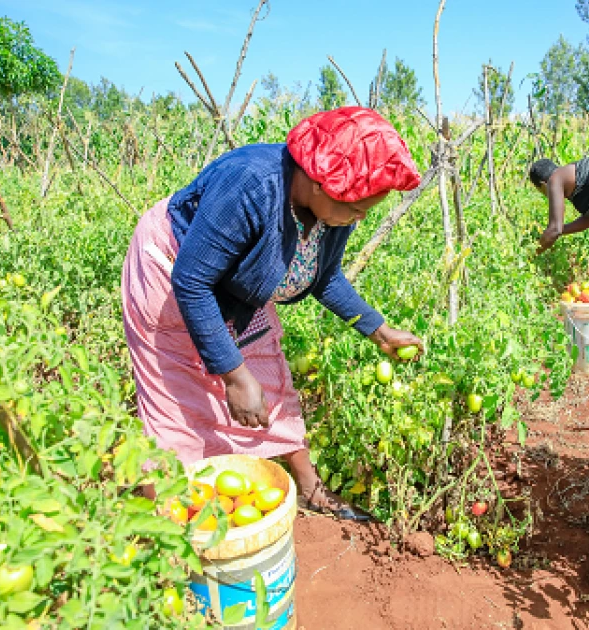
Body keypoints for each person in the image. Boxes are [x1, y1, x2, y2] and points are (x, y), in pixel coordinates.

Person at [122, 107, 424, 521]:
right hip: (172, 270)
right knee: (176, 392)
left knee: (266, 374)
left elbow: (322, 276)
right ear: (320, 184)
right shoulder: (249, 184)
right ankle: (164, 521)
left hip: (240, 286)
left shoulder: (335, 208)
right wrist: (233, 373)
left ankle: (311, 490)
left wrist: (379, 330)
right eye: (357, 210)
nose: (360, 218)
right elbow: (192, 282)